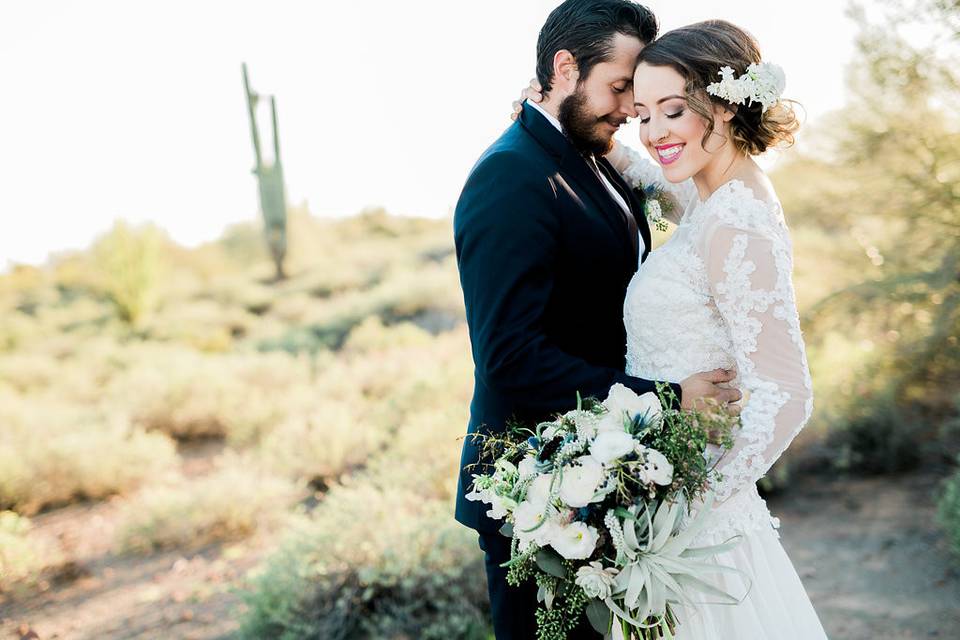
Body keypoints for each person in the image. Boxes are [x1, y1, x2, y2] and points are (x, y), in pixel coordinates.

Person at [520, 17, 829, 640]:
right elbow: (651, 173)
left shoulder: (737, 219)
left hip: (696, 525)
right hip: (673, 500)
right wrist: (565, 119)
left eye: (673, 111)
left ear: (724, 103)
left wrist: (694, 506)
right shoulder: (712, 195)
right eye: (642, 114)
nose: (656, 131)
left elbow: (787, 393)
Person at [453, 2, 742, 638]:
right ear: (564, 68)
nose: (629, 111)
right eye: (619, 88)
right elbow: (510, 359)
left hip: (609, 482)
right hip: (537, 497)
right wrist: (668, 400)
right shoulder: (511, 176)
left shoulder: (589, 155)